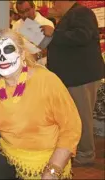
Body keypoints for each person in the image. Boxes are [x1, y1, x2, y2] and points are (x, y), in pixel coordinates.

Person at [0, 29, 82, 179]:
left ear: (22, 53)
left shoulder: (46, 81)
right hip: (11, 154)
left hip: (48, 157)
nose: (2, 57)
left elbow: (71, 128)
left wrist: (53, 170)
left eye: (8, 49)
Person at [41, 1, 105, 166]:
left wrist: (54, 33)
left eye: (56, 2)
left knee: (81, 117)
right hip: (74, 76)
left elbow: (82, 36)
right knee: (75, 116)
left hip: (81, 76)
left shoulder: (81, 13)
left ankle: (85, 155)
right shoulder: (71, 15)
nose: (54, 5)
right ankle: (80, 151)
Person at [12, 0, 54, 66]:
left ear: (33, 7)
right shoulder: (16, 26)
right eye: (21, 12)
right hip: (23, 66)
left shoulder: (47, 24)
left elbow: (51, 49)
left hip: (43, 67)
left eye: (27, 10)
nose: (25, 15)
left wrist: (36, 56)